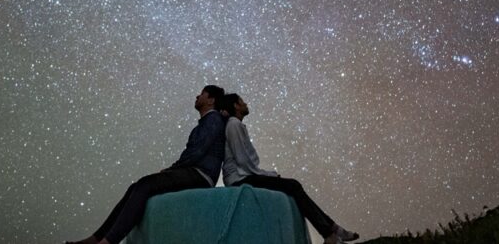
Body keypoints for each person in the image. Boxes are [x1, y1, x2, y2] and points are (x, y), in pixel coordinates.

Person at [66, 85, 226, 244]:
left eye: (202, 94)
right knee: (135, 187)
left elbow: (197, 151)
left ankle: (107, 241)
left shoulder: (213, 119)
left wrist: (172, 169)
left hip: (200, 175)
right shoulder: (206, 122)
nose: (197, 96)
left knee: (145, 185)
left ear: (211, 100)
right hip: (194, 172)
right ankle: (96, 238)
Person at [219, 93, 359, 244]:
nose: (246, 104)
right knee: (293, 185)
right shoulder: (234, 124)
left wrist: (267, 175)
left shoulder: (236, 125)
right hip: (239, 178)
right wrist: (268, 174)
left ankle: (332, 230)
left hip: (244, 175)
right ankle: (330, 233)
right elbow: (243, 161)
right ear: (235, 106)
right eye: (242, 102)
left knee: (293, 186)